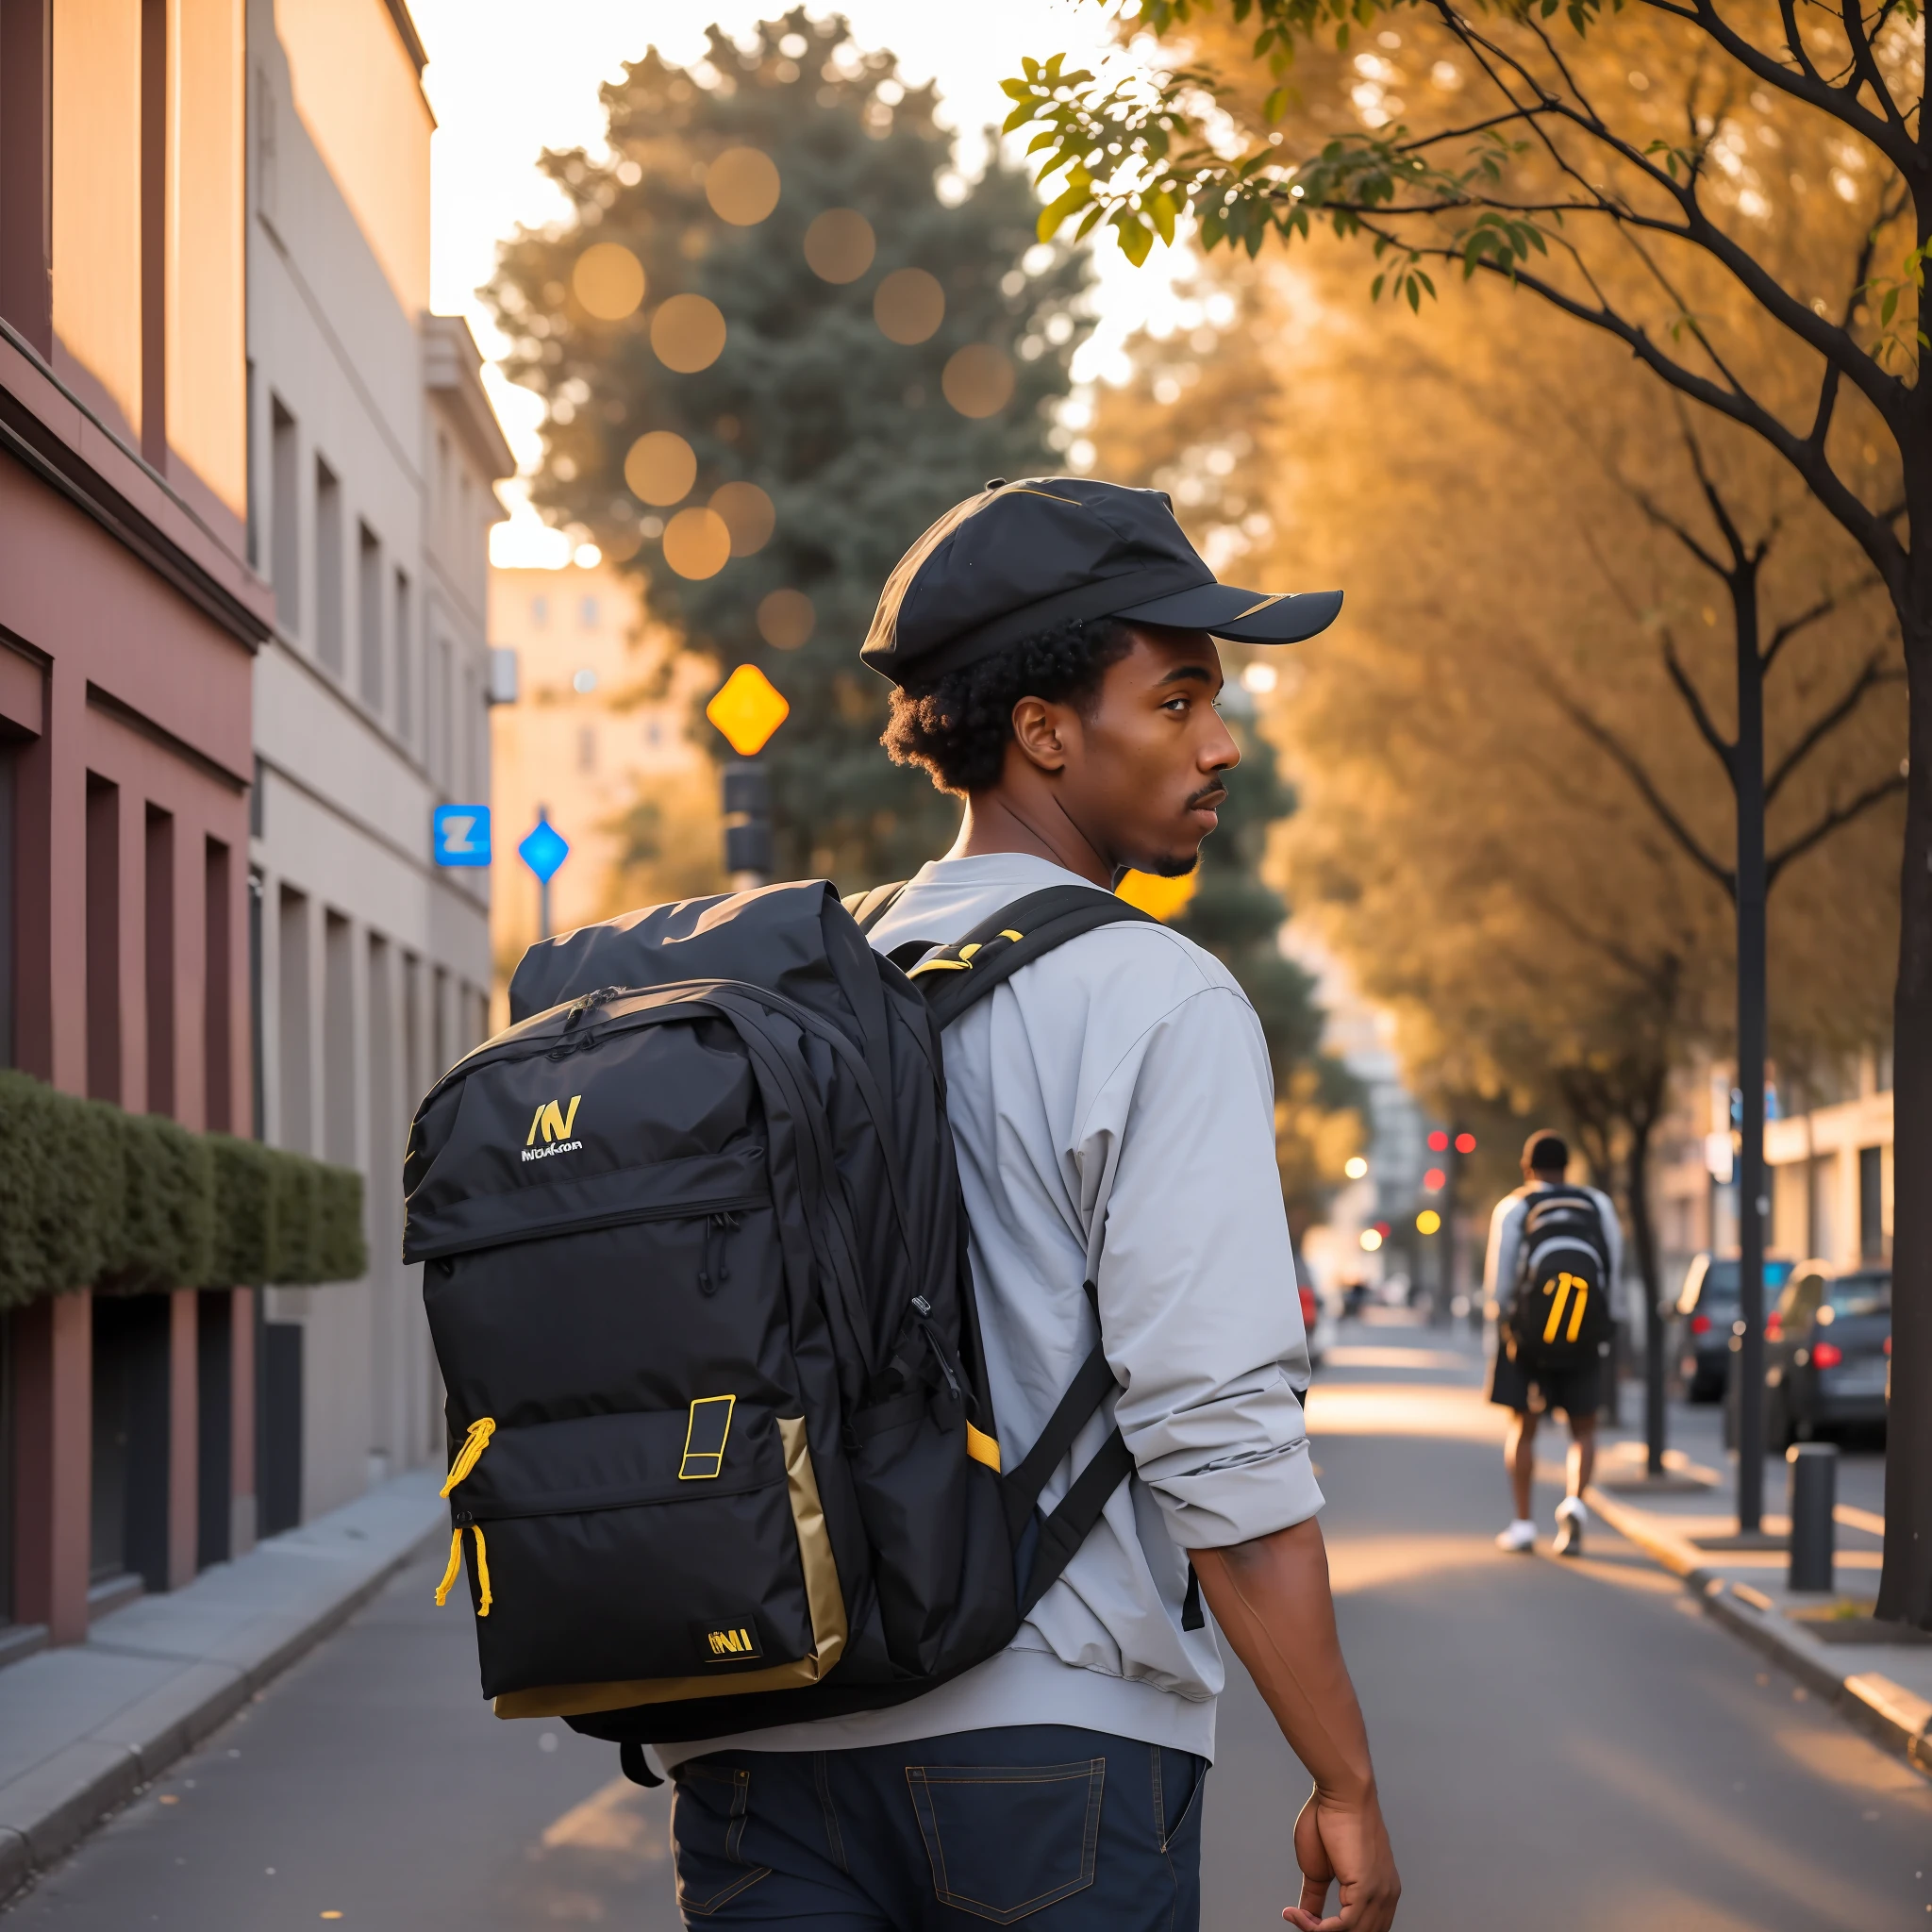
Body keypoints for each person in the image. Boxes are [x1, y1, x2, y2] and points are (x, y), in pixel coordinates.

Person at [658, 479, 1400, 1932]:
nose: (1220, 742)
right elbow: (1219, 1438)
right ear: (1045, 733)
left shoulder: (798, 986)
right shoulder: (1154, 996)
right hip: (1047, 1755)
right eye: (1179, 698)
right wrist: (1345, 1779)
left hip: (759, 1748)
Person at [1483, 1129, 1624, 1557]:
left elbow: (1500, 1281)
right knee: (1583, 1429)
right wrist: (1607, 1323)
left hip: (1529, 1340)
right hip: (1585, 1335)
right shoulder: (1597, 1204)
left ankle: (1524, 1524)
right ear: (1567, 1167)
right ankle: (1576, 1502)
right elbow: (1613, 1267)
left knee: (1523, 1428)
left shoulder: (1515, 1207)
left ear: (1527, 1167)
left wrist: (1502, 1319)